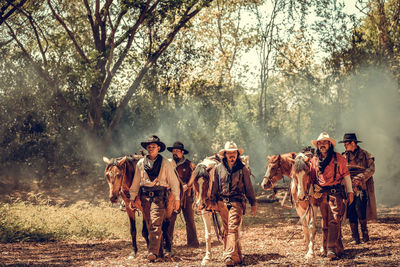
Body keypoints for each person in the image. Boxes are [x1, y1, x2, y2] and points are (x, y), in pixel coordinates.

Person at [129, 135, 180, 261]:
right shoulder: (141, 163)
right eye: (149, 147)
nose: (151, 149)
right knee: (149, 223)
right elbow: (136, 182)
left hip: (159, 197)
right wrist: (132, 198)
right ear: (146, 149)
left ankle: (153, 252)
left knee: (156, 224)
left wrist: (177, 199)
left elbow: (174, 182)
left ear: (158, 148)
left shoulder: (165, 163)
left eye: (153, 146)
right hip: (145, 197)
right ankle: (160, 252)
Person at [210, 141, 257, 266]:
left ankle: (228, 255)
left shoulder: (243, 169)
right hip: (222, 202)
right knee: (227, 230)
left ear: (237, 154)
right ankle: (237, 257)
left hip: (237, 202)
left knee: (232, 228)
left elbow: (249, 187)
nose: (232, 155)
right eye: (229, 153)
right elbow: (214, 186)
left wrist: (253, 203)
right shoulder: (218, 169)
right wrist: (212, 202)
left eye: (234, 153)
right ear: (225, 154)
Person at [310, 133, 354, 260]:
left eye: (325, 142)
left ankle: (331, 249)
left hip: (335, 193)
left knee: (334, 219)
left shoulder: (339, 158)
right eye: (319, 143)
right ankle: (327, 247)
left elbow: (346, 176)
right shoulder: (314, 160)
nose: (322, 145)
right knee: (324, 221)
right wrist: (313, 190)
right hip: (321, 194)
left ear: (329, 144)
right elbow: (312, 178)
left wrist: (350, 192)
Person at [340, 133, 376, 244]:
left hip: (362, 186)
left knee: (360, 209)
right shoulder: (343, 157)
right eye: (345, 144)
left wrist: (359, 178)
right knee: (350, 210)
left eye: (347, 143)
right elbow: (340, 171)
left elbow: (371, 169)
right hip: (348, 187)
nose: (345, 146)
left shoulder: (365, 155)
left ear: (353, 143)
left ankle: (365, 236)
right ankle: (355, 238)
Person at [166, 141, 200, 248]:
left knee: (189, 219)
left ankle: (193, 243)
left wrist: (187, 186)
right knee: (170, 219)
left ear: (182, 152)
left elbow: (193, 176)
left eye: (177, 151)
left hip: (186, 196)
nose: (175, 153)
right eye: (174, 151)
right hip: (173, 197)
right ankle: (167, 242)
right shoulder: (168, 164)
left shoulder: (189, 164)